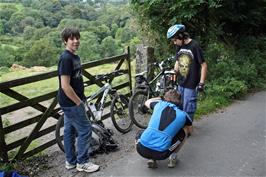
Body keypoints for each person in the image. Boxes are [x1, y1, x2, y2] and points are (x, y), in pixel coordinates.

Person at [57, 27, 100, 173]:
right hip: (71, 103)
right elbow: (65, 85)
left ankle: (70, 161)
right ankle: (82, 162)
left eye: (77, 38)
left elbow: (76, 80)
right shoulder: (66, 58)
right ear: (65, 41)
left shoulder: (75, 57)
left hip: (72, 101)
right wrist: (78, 102)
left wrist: (82, 97)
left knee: (69, 131)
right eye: (72, 38)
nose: (76, 41)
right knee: (85, 130)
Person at [167, 24, 207, 135]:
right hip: (181, 83)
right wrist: (174, 72)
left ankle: (187, 131)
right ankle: (183, 129)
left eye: (175, 40)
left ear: (181, 36)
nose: (174, 43)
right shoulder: (179, 46)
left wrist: (201, 83)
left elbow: (203, 65)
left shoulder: (194, 46)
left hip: (191, 84)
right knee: (179, 107)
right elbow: (177, 61)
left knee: (188, 108)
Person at [135, 89, 192, 168]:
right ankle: (173, 157)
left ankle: (151, 158)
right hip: (161, 153)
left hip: (141, 149)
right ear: (179, 101)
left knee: (140, 133)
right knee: (185, 131)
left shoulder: (158, 104)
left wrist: (160, 98)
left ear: (165, 98)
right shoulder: (183, 115)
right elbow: (190, 129)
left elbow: (147, 102)